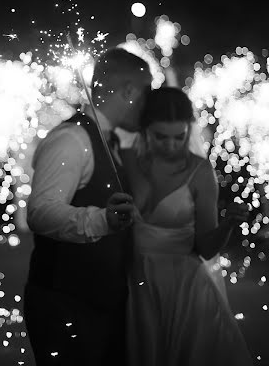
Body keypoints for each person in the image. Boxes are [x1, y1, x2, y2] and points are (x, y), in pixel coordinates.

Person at [24, 47, 152, 366]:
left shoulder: (110, 141)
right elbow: (40, 211)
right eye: (147, 91)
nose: (150, 102)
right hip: (67, 304)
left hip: (100, 302)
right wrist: (102, 220)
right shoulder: (72, 138)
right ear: (128, 91)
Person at [121, 86, 253, 365]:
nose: (170, 146)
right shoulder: (127, 159)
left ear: (189, 131)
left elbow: (205, 249)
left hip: (184, 288)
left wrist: (228, 223)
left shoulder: (200, 171)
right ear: (145, 129)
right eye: (160, 137)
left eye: (178, 137)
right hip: (134, 283)